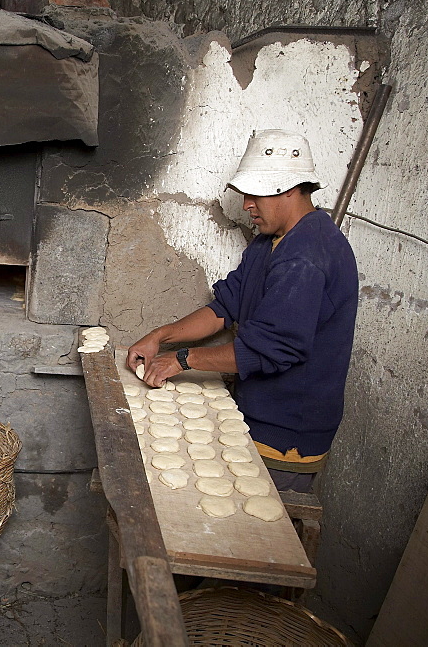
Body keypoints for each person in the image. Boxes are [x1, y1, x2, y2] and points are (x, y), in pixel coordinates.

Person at [127, 129, 358, 493]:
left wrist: (181, 360)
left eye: (255, 194)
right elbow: (224, 308)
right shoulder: (269, 243)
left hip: (285, 433)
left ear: (288, 189)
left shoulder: (307, 257)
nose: (247, 204)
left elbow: (267, 349)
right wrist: (161, 336)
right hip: (253, 414)